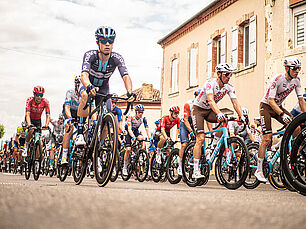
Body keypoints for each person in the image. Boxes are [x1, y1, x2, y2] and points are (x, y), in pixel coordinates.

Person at [75, 26, 135, 146]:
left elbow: (125, 76)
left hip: (103, 88)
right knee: (85, 95)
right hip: (89, 85)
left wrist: (129, 92)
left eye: (110, 41)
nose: (107, 44)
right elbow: (84, 75)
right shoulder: (90, 55)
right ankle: (80, 134)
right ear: (98, 42)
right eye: (103, 41)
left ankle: (100, 148)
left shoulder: (116, 58)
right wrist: (88, 85)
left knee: (108, 117)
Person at [255, 57, 306, 183]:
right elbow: (271, 101)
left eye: (298, 68)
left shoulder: (296, 80)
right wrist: (282, 114)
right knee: (267, 138)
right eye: (294, 68)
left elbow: (301, 100)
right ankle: (259, 170)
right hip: (266, 106)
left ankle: (291, 154)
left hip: (279, 106)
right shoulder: (277, 79)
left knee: (297, 128)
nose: (297, 71)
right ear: (287, 69)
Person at [191, 63, 245, 179]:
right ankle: (195, 170)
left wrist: (242, 116)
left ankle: (212, 146)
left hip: (210, 111)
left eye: (230, 74)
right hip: (199, 110)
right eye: (226, 74)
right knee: (200, 138)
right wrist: (219, 113)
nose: (229, 76)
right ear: (219, 74)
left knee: (225, 121)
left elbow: (235, 102)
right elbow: (210, 100)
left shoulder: (228, 87)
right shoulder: (210, 83)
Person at [122, 104, 151, 176]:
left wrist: (149, 137)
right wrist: (133, 137)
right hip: (128, 131)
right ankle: (124, 167)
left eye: (142, 112)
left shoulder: (143, 118)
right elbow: (129, 129)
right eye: (139, 112)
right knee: (128, 149)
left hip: (135, 130)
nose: (140, 114)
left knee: (141, 138)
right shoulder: (131, 116)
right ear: (136, 112)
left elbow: (147, 128)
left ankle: (140, 153)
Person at [22, 86, 50, 156]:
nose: (39, 97)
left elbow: (48, 115)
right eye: (37, 95)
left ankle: (37, 160)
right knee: (31, 130)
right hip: (29, 119)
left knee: (39, 140)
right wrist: (29, 124)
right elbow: (27, 114)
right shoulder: (30, 100)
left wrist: (46, 125)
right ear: (34, 95)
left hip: (38, 120)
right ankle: (26, 146)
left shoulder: (45, 102)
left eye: (41, 95)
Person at [61, 76, 82, 164]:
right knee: (69, 128)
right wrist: (69, 118)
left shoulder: (86, 93)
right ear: (76, 85)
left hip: (80, 113)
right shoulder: (70, 92)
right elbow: (67, 107)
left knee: (84, 130)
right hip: (70, 111)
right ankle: (64, 156)